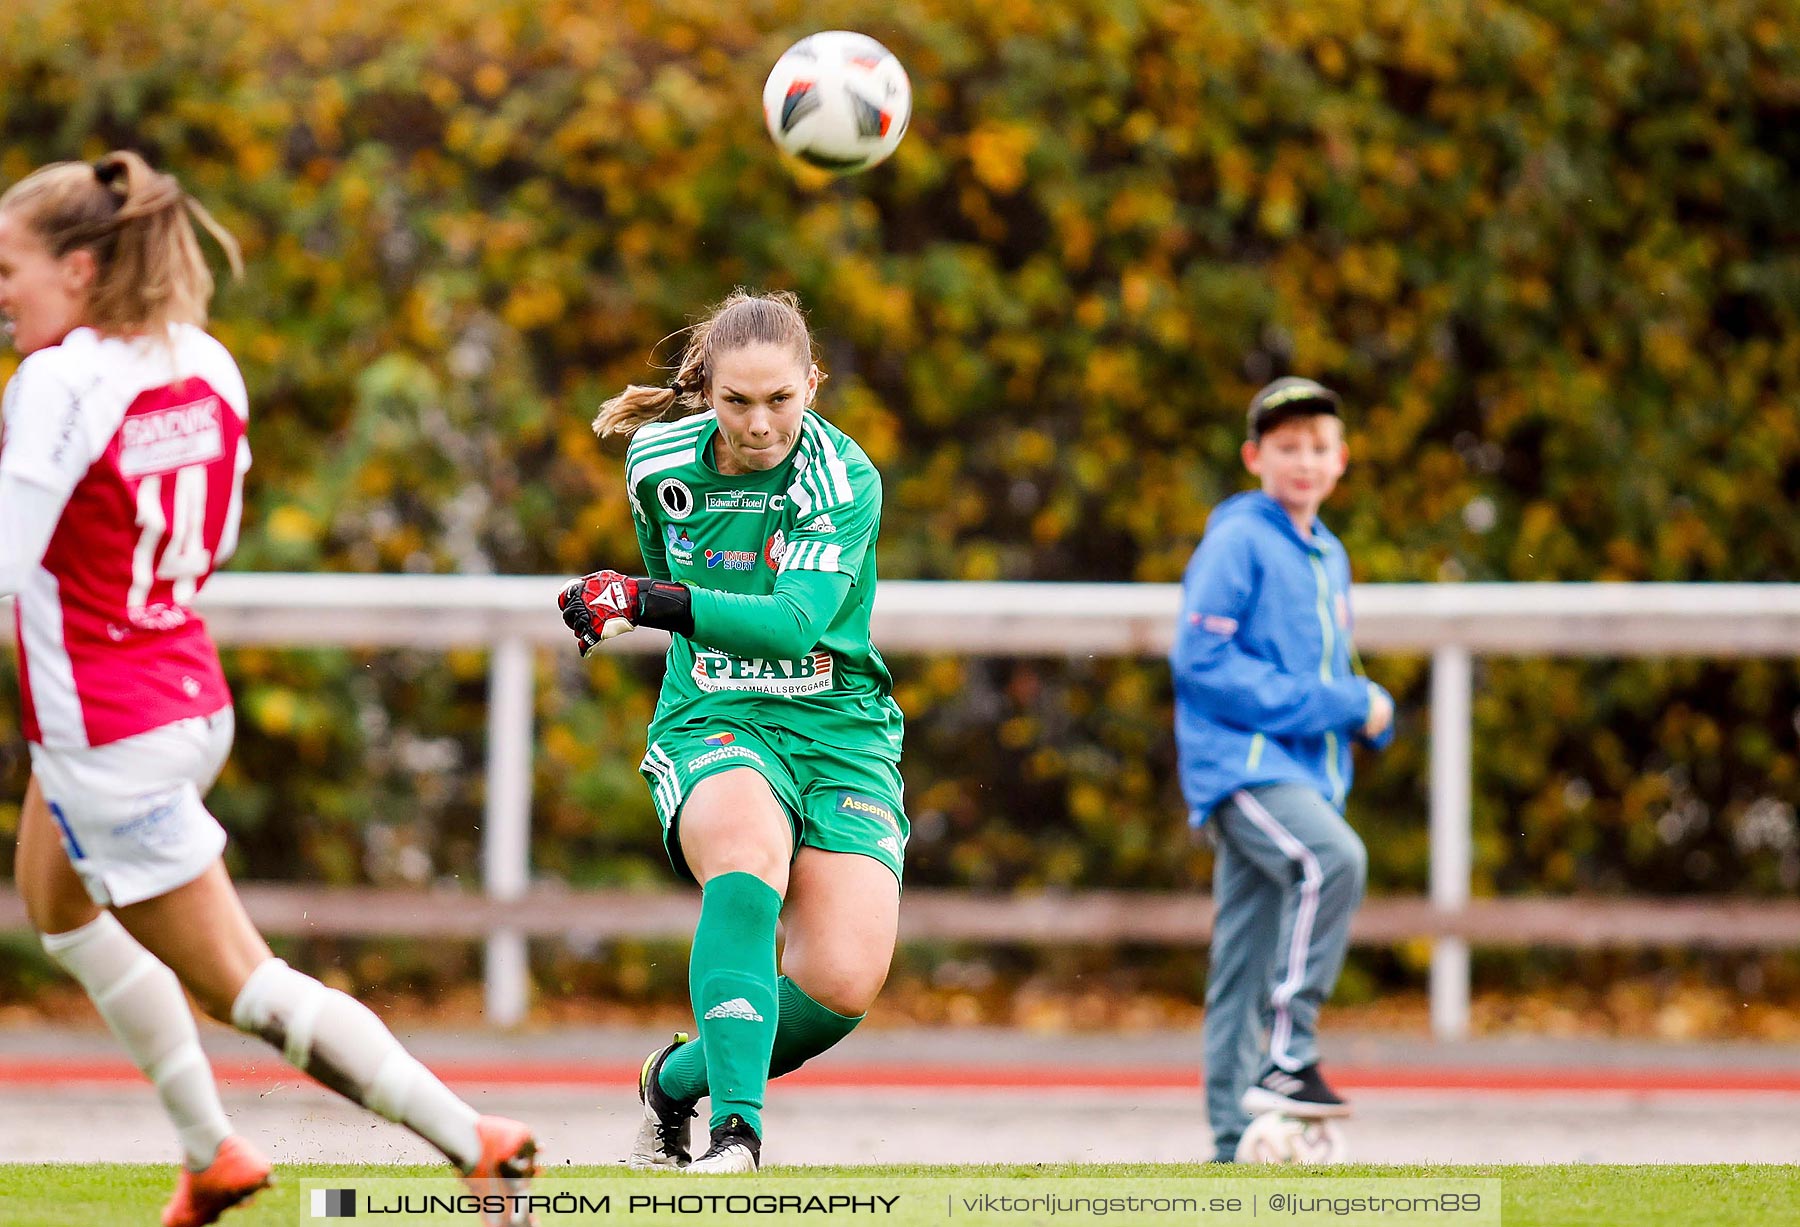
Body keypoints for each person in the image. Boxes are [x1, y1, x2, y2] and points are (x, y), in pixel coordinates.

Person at [0, 152, 537, 1226]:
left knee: (243, 983)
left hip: (110, 734)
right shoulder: (206, 361)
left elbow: (8, 565)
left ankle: (470, 1138)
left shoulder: (59, 379)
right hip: (186, 694)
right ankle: (213, 1155)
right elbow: (218, 533)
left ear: (80, 267)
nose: (2, 295)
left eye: (9, 270)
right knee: (58, 905)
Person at [557, 289, 906, 1174]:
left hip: (839, 728)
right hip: (713, 715)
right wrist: (644, 600)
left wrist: (642, 602)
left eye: (780, 400)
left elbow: (791, 623)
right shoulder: (656, 460)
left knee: (841, 982)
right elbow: (676, 570)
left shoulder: (844, 478)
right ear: (705, 389)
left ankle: (675, 1081)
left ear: (813, 385)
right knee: (748, 852)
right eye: (737, 401)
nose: (759, 424)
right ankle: (738, 1137)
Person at [1169, 376, 1396, 1163]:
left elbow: (1326, 665)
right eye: (1287, 447)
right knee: (1333, 858)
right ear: (1254, 457)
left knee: (1243, 955)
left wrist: (1369, 708)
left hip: (1303, 775)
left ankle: (1235, 1139)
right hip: (1245, 769)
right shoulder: (1239, 537)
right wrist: (1340, 702)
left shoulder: (1327, 552)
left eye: (1318, 447)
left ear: (1342, 461)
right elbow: (1202, 660)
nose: (1304, 461)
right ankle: (1290, 1056)